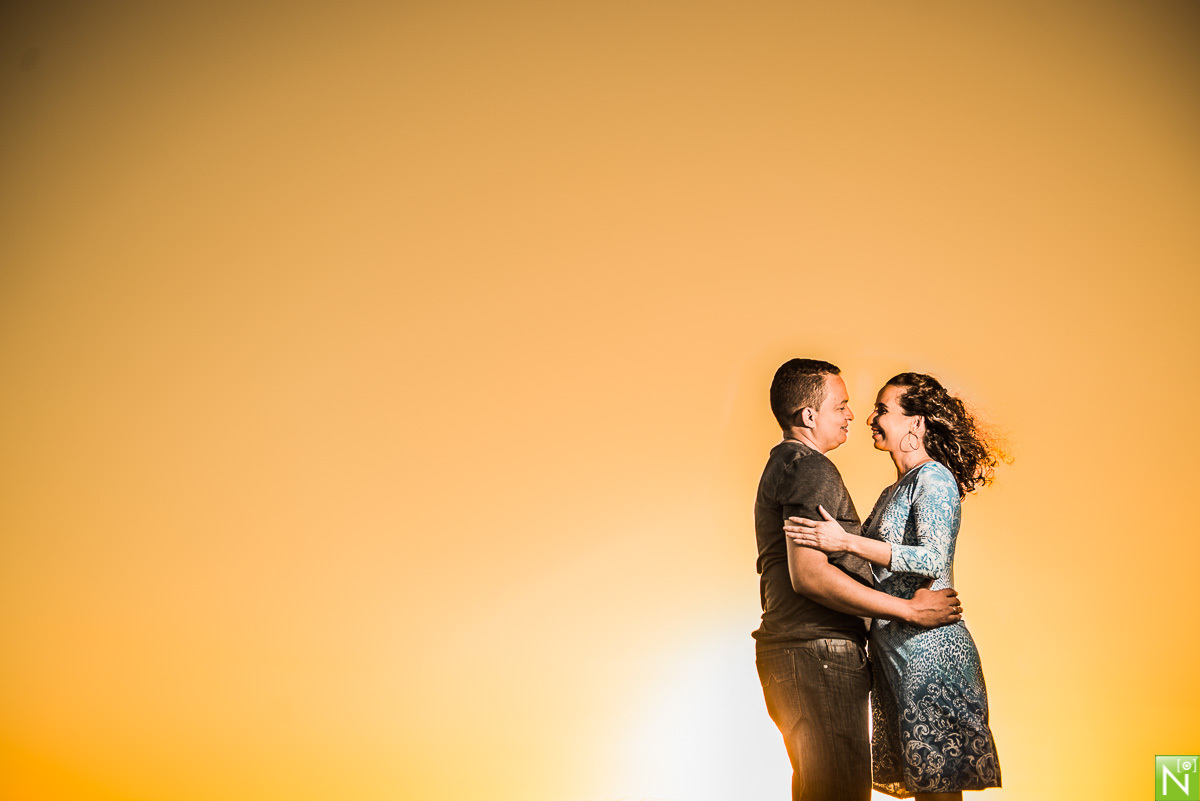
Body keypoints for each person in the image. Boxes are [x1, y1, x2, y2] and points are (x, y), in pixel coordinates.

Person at [753, 359, 964, 801]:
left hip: (841, 652)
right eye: (842, 405)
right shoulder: (809, 468)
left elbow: (923, 556)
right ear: (809, 415)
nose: (855, 415)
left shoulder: (790, 465)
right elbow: (810, 576)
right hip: (819, 650)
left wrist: (848, 543)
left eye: (877, 409)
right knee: (839, 792)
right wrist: (908, 610)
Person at [786, 372, 1003, 800]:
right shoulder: (895, 489)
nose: (870, 418)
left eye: (882, 410)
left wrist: (846, 542)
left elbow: (933, 558)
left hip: (930, 655)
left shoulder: (934, 478)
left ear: (915, 423)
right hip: (896, 656)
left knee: (938, 792)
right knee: (925, 788)